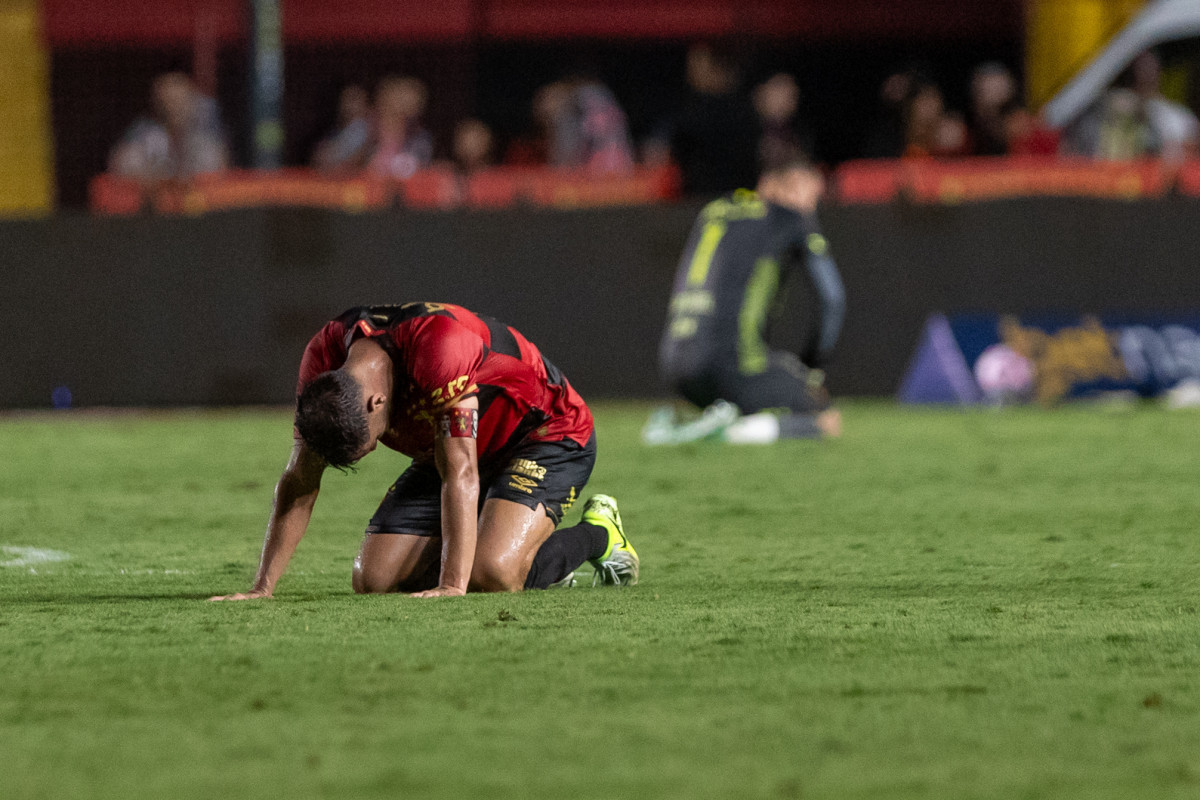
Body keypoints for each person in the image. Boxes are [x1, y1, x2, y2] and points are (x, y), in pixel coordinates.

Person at [211, 302, 638, 601]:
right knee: (373, 578)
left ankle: (600, 535)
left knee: (491, 574)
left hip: (545, 434)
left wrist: (452, 585)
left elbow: (462, 474)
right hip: (451, 444)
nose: (371, 453)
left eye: (368, 446)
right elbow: (299, 480)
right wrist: (261, 587)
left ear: (377, 404)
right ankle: (518, 545)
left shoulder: (439, 349)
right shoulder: (323, 365)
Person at [652, 157, 844, 444]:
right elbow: (832, 299)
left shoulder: (715, 210)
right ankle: (728, 432)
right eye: (809, 195)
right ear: (774, 186)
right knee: (824, 418)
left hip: (675, 366)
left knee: (753, 381)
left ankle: (698, 419)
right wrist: (812, 365)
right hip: (729, 363)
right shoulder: (790, 218)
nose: (810, 208)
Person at [108, 72, 229, 183]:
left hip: (197, 200)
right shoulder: (144, 133)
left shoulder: (206, 137)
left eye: (180, 100)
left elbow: (217, 172)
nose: (173, 108)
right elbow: (122, 166)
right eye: (167, 101)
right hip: (153, 200)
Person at [312, 84, 372, 173]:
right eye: (346, 100)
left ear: (365, 104)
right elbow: (318, 158)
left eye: (354, 100)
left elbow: (359, 158)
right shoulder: (336, 131)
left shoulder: (369, 129)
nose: (349, 106)